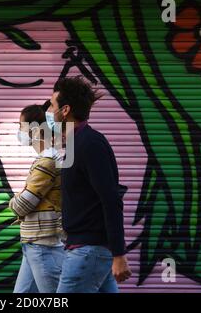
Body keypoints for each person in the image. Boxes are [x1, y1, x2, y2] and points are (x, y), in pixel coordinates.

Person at [46, 76, 132, 293]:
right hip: (87, 249)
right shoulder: (76, 143)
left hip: (88, 252)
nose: (49, 111)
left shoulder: (90, 144)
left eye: (52, 105)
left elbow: (111, 199)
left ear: (65, 110)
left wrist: (119, 254)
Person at [10, 101, 65, 293]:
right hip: (34, 244)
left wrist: (13, 201)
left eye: (20, 126)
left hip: (43, 246)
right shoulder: (46, 159)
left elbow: (22, 205)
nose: (18, 130)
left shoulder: (47, 162)